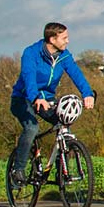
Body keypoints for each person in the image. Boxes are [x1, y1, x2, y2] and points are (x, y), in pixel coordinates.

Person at [8, 22, 95, 188]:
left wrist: (87, 94)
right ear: (52, 39)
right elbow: (29, 77)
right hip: (23, 98)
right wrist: (35, 97)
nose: (68, 41)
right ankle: (17, 170)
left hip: (47, 99)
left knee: (63, 124)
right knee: (32, 128)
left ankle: (61, 170)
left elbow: (76, 74)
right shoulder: (31, 53)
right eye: (64, 38)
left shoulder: (64, 56)